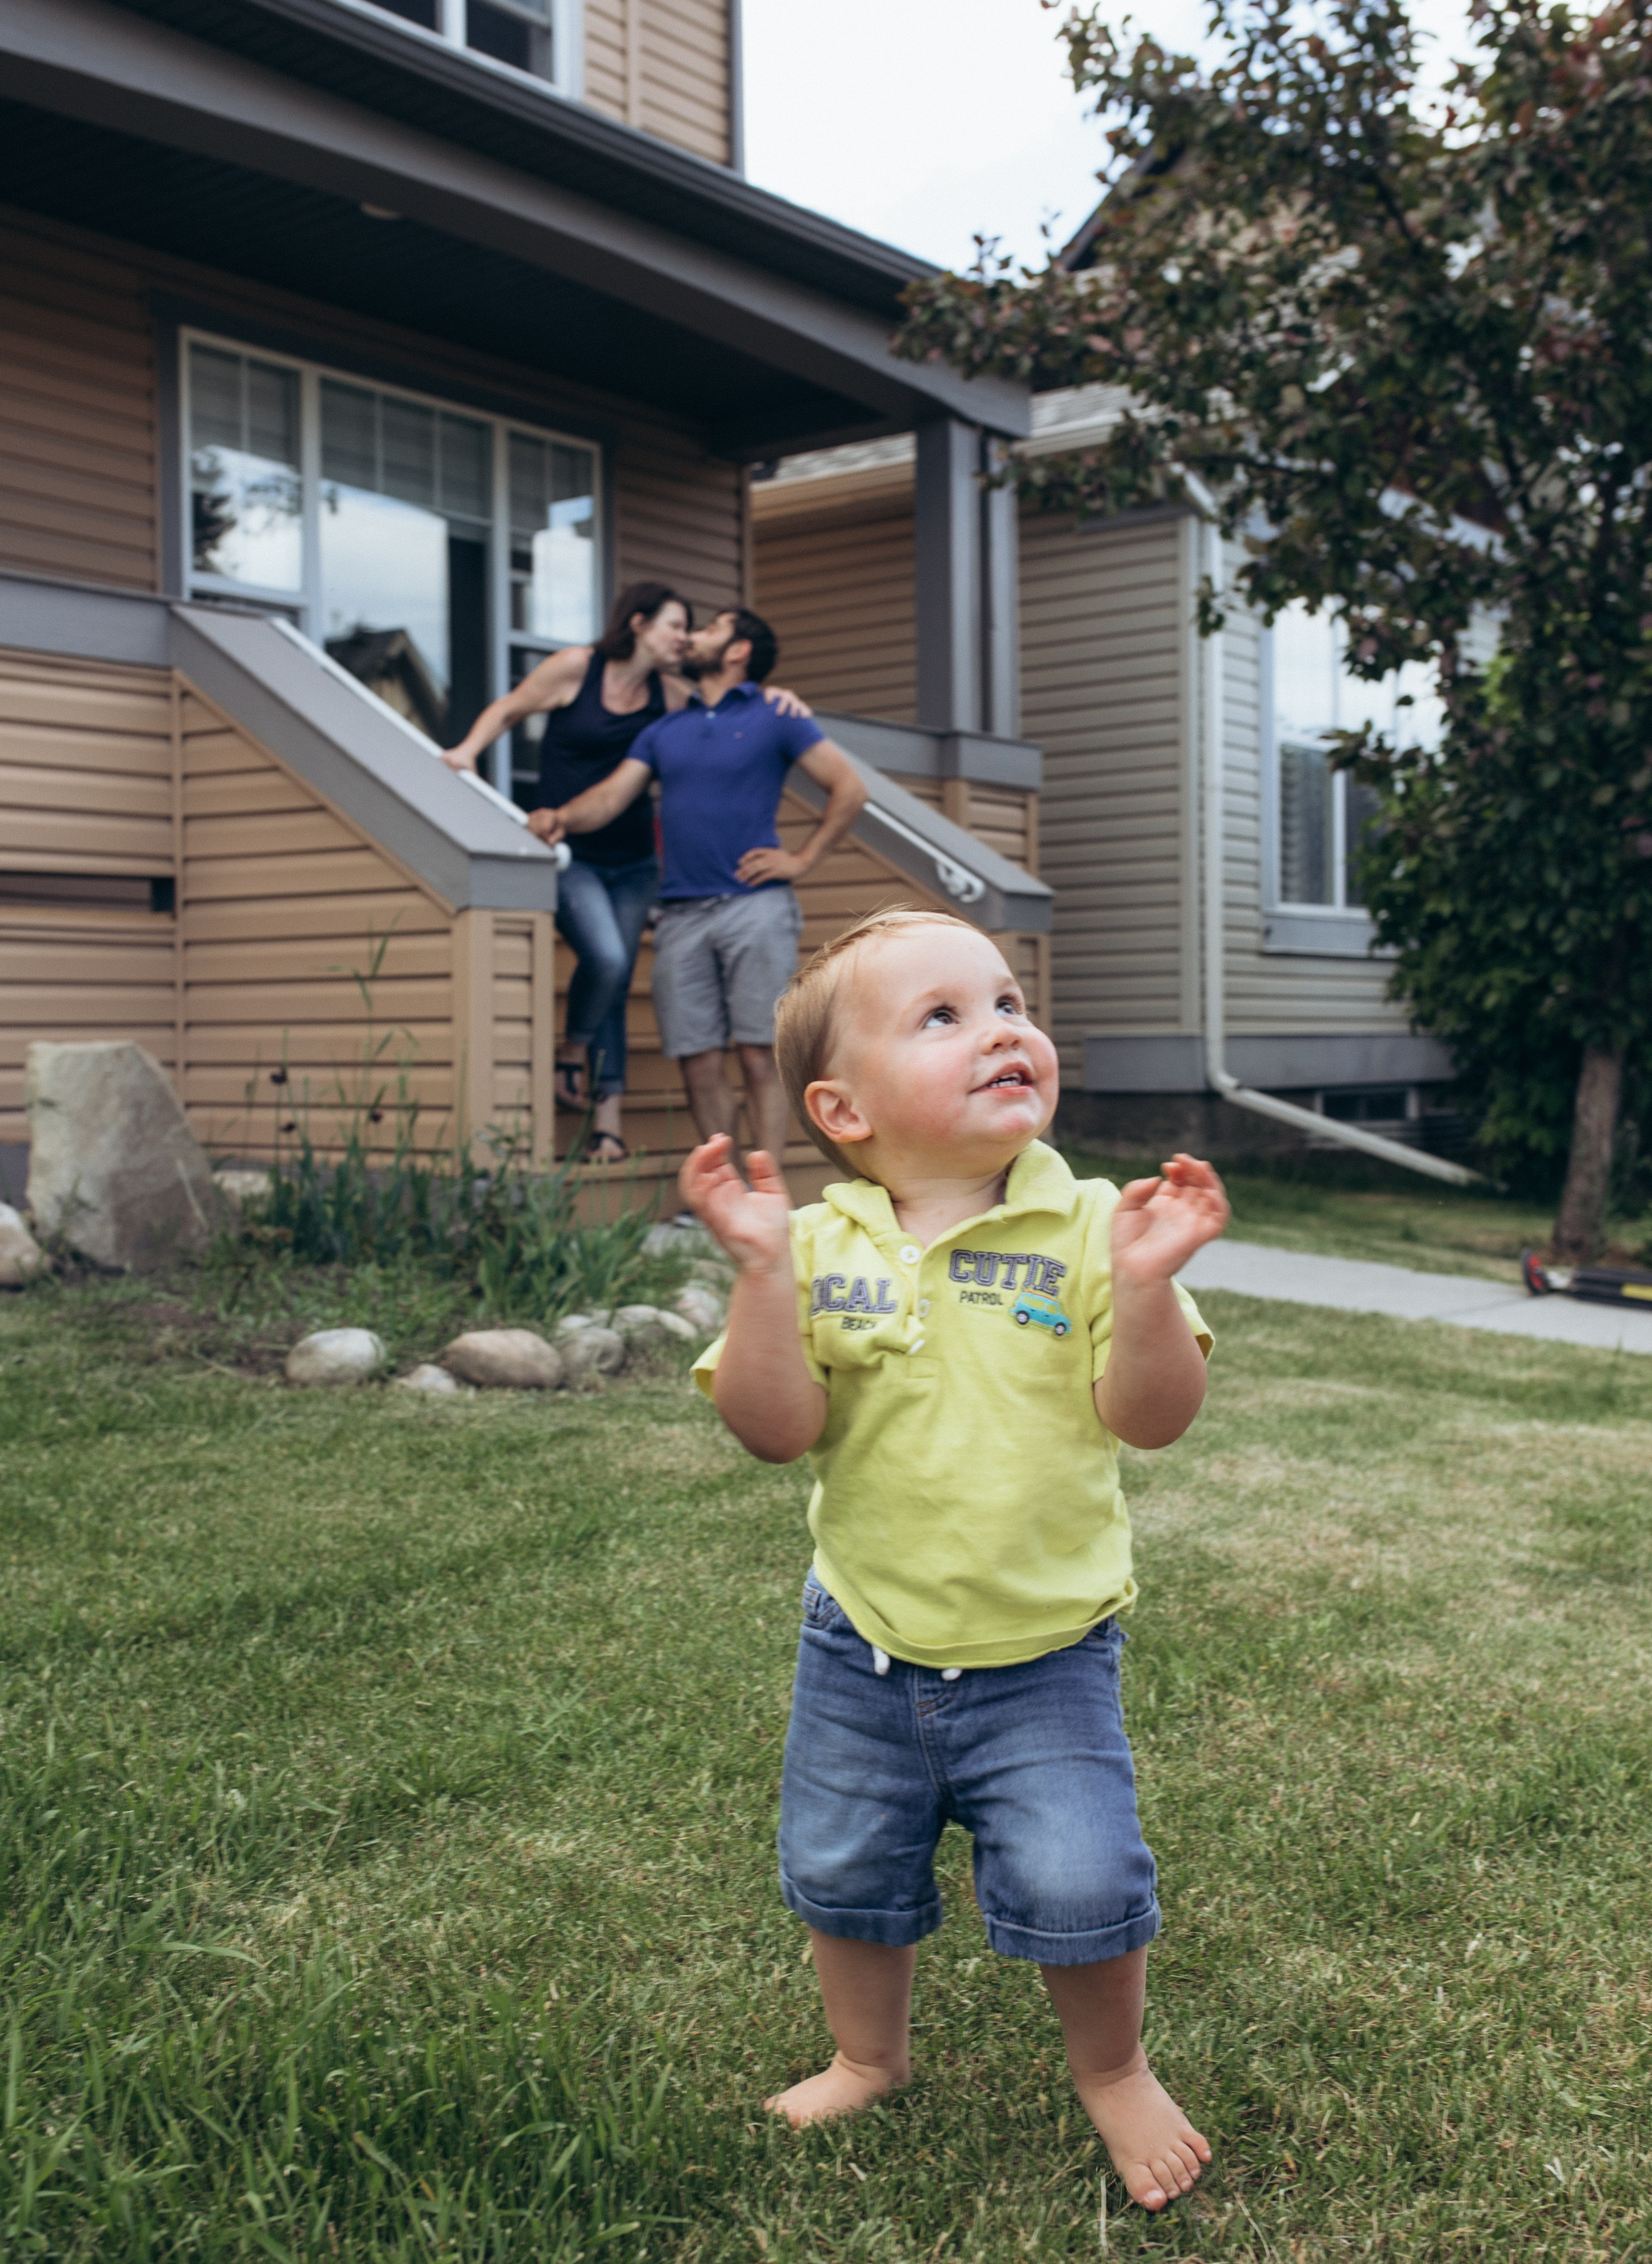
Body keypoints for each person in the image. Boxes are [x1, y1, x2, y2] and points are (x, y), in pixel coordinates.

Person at [679, 906, 1230, 2215]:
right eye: (944, 1015)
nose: (1000, 1028)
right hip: (858, 1644)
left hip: (1046, 1655)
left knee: (1082, 1875)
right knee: (843, 1866)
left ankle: (1114, 2068)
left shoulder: (1090, 1224)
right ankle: (868, 2054)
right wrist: (757, 1275)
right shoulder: (816, 1248)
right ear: (843, 1108)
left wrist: (1146, 1287)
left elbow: (1149, 1417)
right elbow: (774, 1430)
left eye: (1007, 1001)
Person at [439, 582, 811, 1163]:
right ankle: (574, 1051)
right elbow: (512, 710)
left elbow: (730, 703)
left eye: (694, 628)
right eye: (675, 625)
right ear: (638, 623)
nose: (685, 637)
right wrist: (467, 751)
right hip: (570, 849)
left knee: (615, 977)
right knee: (610, 959)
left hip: (636, 860)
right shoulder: (577, 669)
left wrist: (774, 694)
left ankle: (608, 1126)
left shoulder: (672, 695)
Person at [535, 607, 867, 1197]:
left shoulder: (776, 716)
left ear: (738, 650)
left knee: (761, 1056)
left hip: (755, 907)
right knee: (699, 1061)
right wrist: (557, 817)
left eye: (710, 629)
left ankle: (767, 1194)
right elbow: (610, 798)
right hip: (681, 915)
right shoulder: (665, 729)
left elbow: (850, 788)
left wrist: (801, 860)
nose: (693, 637)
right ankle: (726, 1194)